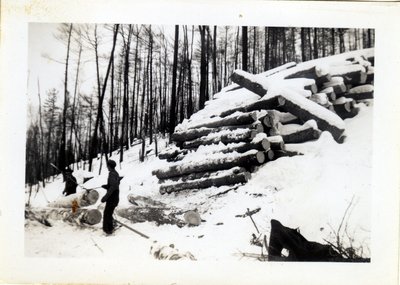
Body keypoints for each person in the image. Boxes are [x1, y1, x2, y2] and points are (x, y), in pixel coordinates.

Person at [101, 159, 120, 235]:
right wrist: (106, 186)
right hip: (115, 196)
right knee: (109, 213)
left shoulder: (111, 174)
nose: (107, 167)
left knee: (107, 213)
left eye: (107, 166)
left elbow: (113, 187)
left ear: (110, 166)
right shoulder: (116, 173)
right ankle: (110, 227)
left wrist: (105, 197)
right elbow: (115, 185)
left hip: (112, 197)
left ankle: (108, 230)